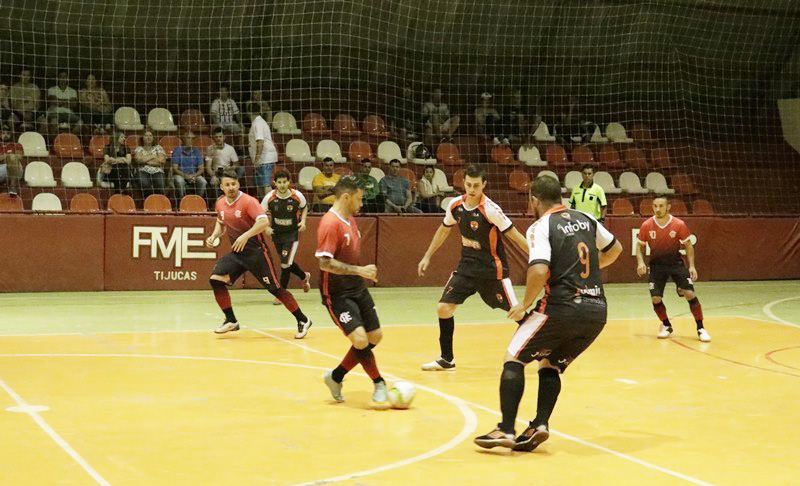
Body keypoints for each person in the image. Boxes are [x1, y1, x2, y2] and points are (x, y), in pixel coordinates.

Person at [474, 175, 622, 451]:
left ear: (534, 199)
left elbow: (540, 270)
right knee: (550, 363)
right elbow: (616, 250)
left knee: (514, 358)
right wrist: (586, 273)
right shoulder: (586, 219)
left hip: (562, 307)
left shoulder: (541, 226)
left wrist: (524, 303)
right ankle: (539, 424)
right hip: (597, 311)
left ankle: (506, 429)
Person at [417, 164, 529, 371]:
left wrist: (537, 258)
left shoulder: (491, 210)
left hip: (491, 272)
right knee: (443, 308)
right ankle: (447, 359)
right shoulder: (455, 205)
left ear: (484, 185)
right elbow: (443, 231)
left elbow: (514, 236)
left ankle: (543, 346)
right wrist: (427, 256)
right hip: (466, 268)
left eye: (476, 185)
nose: (471, 189)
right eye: (468, 184)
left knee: (518, 313)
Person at [205, 169, 313, 339]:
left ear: (238, 184)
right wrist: (213, 236)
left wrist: (246, 235)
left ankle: (303, 319)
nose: (231, 187)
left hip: (256, 252)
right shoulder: (220, 203)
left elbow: (263, 222)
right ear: (222, 187)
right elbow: (221, 223)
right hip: (238, 253)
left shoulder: (249, 202)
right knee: (216, 279)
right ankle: (231, 320)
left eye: (234, 184)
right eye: (227, 185)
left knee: (275, 289)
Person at [318, 176, 389, 408]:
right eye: (359, 199)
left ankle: (336, 376)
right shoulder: (330, 223)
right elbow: (325, 264)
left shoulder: (350, 219)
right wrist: (360, 270)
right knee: (360, 339)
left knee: (375, 336)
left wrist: (362, 273)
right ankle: (379, 382)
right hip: (337, 292)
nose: (362, 204)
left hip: (356, 286)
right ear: (346, 197)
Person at [635, 196, 711, 342]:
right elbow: (639, 246)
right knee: (656, 298)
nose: (658, 209)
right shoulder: (646, 225)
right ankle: (666, 326)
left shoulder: (678, 224)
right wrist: (640, 262)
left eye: (661, 206)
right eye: (655, 206)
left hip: (676, 263)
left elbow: (688, 245)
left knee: (689, 293)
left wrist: (692, 266)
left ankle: (701, 328)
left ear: (668, 207)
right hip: (656, 265)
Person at [261, 170, 312, 305]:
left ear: (289, 182)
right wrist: (266, 227)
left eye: (285, 182)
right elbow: (260, 214)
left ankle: (281, 294)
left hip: (292, 234)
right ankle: (304, 276)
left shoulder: (297, 196)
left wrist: (303, 221)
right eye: (279, 182)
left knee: (284, 263)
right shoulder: (269, 198)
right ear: (275, 183)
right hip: (277, 234)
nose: (282, 185)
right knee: (287, 262)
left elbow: (305, 207)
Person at [248, 106, 278, 200]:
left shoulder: (258, 123)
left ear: (249, 113)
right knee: (260, 185)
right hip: (262, 159)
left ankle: (268, 207)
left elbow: (260, 142)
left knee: (265, 184)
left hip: (265, 159)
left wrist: (257, 159)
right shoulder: (259, 122)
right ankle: (262, 206)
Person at [205, 127, 242, 198]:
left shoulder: (230, 148)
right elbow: (208, 167)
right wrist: (213, 176)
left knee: (241, 169)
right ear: (213, 138)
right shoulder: (210, 148)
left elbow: (236, 164)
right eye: (216, 137)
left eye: (220, 136)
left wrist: (230, 168)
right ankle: (217, 203)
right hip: (216, 172)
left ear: (224, 137)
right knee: (215, 182)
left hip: (228, 171)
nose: (218, 138)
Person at [171, 131, 208, 199]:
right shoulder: (177, 151)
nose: (190, 140)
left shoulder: (197, 151)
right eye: (188, 138)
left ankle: (197, 201)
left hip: (193, 175)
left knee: (203, 182)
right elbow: (175, 169)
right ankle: (181, 202)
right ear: (184, 139)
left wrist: (194, 175)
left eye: (192, 139)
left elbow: (201, 168)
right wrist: (185, 176)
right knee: (179, 181)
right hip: (180, 174)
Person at [133, 130, 167, 197]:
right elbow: (138, 159)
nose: (148, 137)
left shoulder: (158, 147)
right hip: (143, 171)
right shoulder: (139, 148)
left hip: (157, 171)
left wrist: (146, 160)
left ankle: (158, 202)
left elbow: (162, 160)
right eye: (146, 135)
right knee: (144, 183)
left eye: (150, 135)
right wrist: (153, 156)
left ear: (153, 137)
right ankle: (148, 201)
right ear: (142, 138)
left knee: (160, 184)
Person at [0, 125, 23, 194]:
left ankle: (12, 187)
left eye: (8, 133)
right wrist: (8, 156)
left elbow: (19, 156)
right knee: (11, 156)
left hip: (16, 169)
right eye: (3, 133)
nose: (6, 135)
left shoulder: (16, 145)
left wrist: (5, 157)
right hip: (1, 169)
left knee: (12, 157)